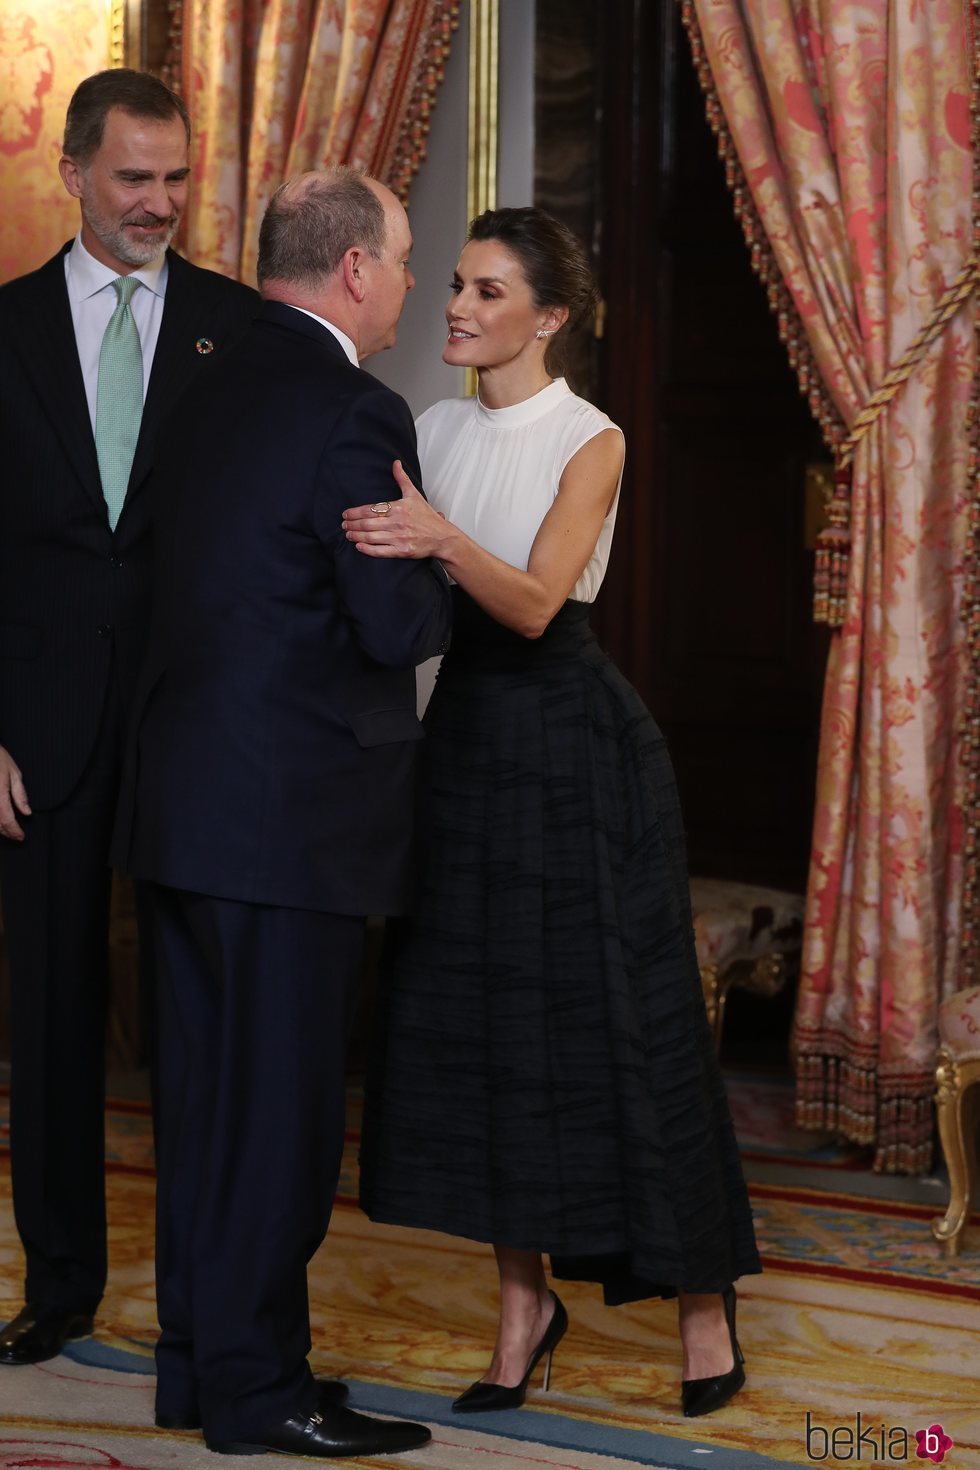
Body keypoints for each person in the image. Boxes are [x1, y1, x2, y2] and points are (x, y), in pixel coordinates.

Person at [349, 206, 762, 1420]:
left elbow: (532, 603)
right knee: (474, 1029)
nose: (458, 309)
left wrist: (432, 532)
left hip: (579, 750)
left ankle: (699, 1306)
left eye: (486, 292)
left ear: (550, 315)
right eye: (456, 287)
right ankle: (523, 1306)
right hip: (461, 745)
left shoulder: (595, 438)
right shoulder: (424, 424)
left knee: (621, 1027)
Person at [111, 168, 452, 1458]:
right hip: (291, 821)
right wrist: (434, 559)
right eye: (406, 259)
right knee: (280, 1119)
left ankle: (201, 1371)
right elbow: (385, 622)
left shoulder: (189, 389)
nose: (411, 283)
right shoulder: (354, 410)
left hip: (183, 808)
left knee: (202, 1112)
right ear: (354, 270)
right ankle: (262, 1395)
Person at [0, 69, 257, 1368]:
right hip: (32, 730)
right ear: (75, 172)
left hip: (198, 723)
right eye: (132, 178)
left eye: (175, 177)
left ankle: (211, 1293)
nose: (159, 202)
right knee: (48, 1010)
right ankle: (60, 1280)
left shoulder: (239, 328)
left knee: (201, 1013)